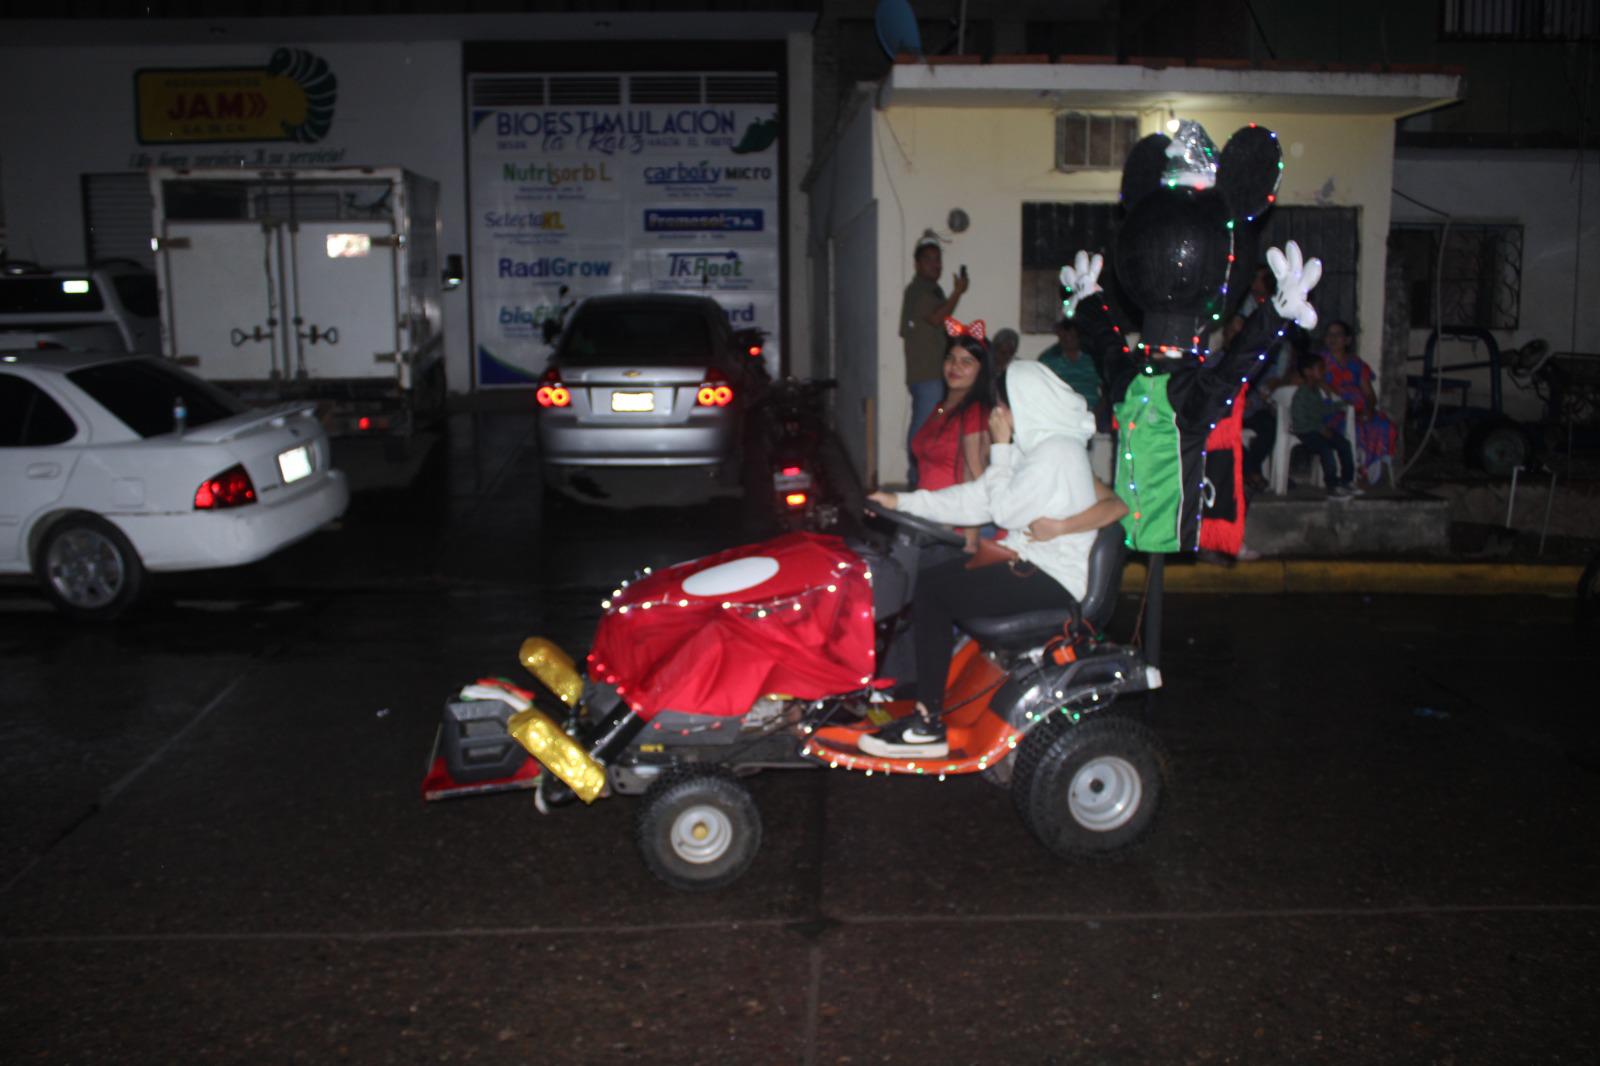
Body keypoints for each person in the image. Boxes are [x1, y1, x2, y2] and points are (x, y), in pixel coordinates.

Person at [862, 361, 1128, 757]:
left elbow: (1003, 511)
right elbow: (975, 498)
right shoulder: (1036, 449)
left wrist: (1000, 448)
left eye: (1003, 405)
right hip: (1032, 563)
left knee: (934, 591)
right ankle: (922, 694)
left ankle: (927, 723)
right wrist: (902, 501)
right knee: (934, 576)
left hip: (1054, 579)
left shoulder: (1056, 453)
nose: (997, 415)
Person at [908, 320, 993, 551]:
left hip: (954, 528)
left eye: (967, 362)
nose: (955, 367)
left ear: (981, 370)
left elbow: (976, 477)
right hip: (930, 521)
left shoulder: (974, 412)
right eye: (950, 358)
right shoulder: (941, 406)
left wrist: (970, 540)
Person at [899, 231, 968, 486]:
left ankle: (924, 480)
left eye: (938, 260)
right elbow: (937, 318)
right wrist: (958, 293)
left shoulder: (931, 290)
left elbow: (941, 324)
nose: (935, 265)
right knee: (922, 428)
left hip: (933, 375)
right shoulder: (919, 290)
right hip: (927, 376)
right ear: (917, 264)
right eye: (929, 260)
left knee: (932, 424)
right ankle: (916, 481)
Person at [1318, 320, 1397, 486]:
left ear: (1347, 340)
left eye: (1338, 335)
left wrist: (1367, 410)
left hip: (1359, 410)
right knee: (1355, 428)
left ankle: (1374, 472)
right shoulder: (1319, 362)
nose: (1333, 338)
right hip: (1333, 411)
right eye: (1329, 335)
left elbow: (1369, 394)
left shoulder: (1356, 364)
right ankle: (1357, 472)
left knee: (1384, 425)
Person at [1290, 351, 1359, 497]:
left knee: (1344, 444)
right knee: (1325, 449)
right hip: (1305, 431)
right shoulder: (1302, 394)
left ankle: (1347, 481)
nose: (1324, 371)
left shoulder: (1315, 391)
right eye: (1320, 368)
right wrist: (1320, 429)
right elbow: (1301, 420)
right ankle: (1332, 485)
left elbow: (1321, 409)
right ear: (1308, 372)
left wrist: (1340, 405)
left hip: (1318, 428)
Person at [1037, 318, 1101, 412]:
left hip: (1092, 411)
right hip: (1061, 411)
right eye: (1064, 335)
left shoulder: (1093, 358)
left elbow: (1107, 388)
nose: (1068, 339)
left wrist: (1101, 409)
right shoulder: (1048, 359)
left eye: (1072, 335)